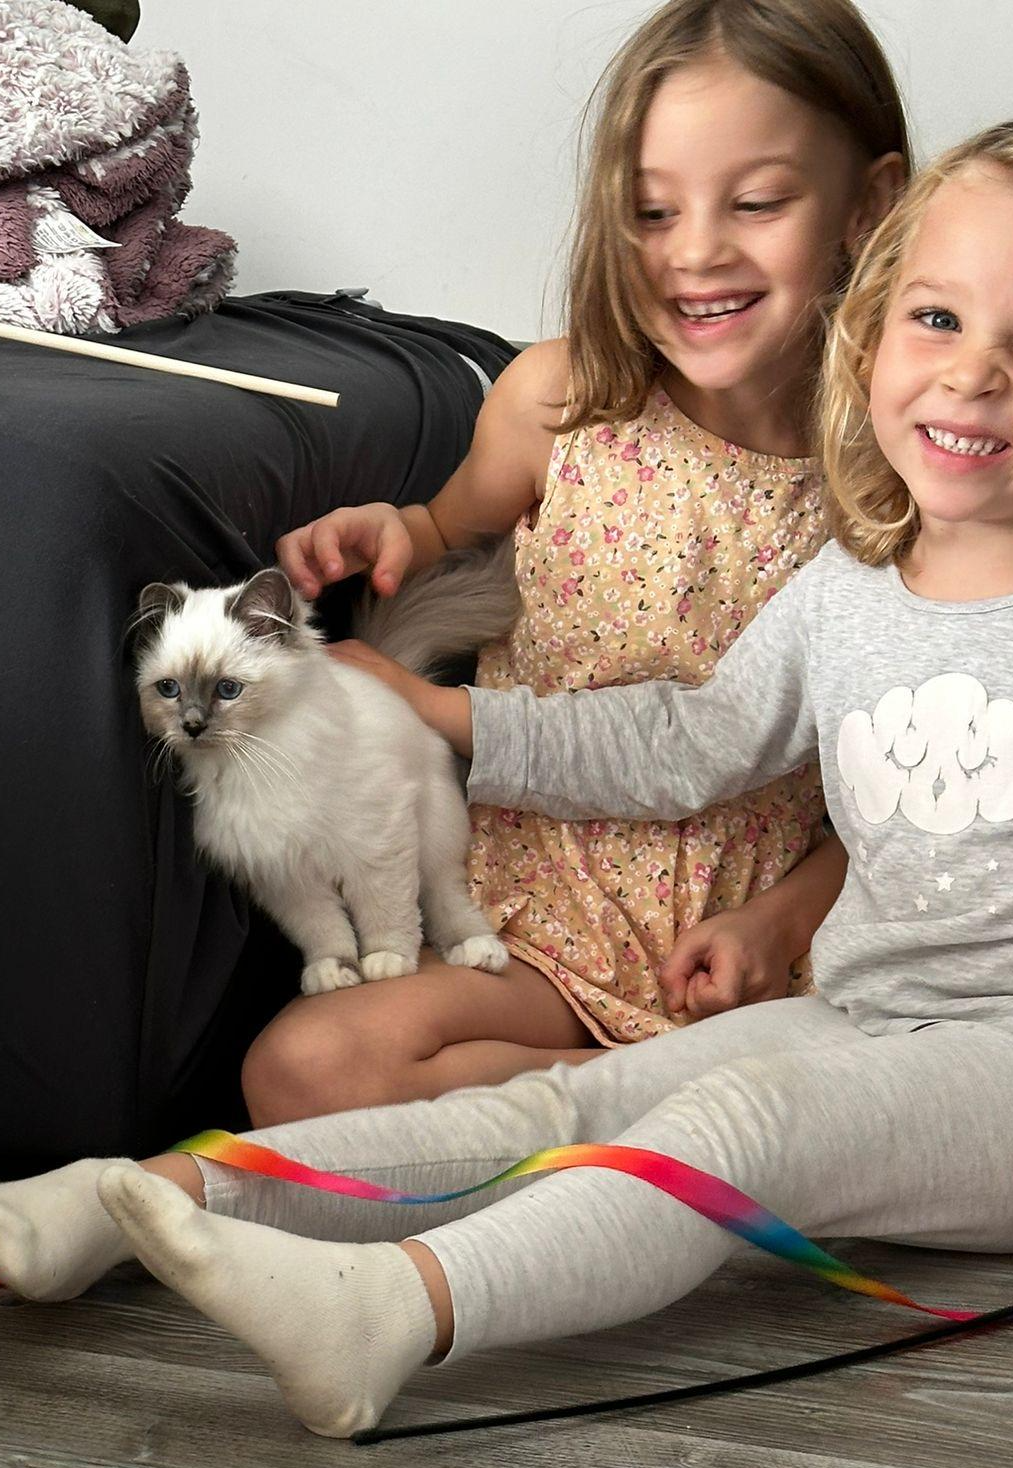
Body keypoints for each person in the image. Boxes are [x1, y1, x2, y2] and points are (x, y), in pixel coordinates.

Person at [0, 116, 1013, 1442]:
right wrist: (452, 714)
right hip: (870, 1018)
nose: (973, 374)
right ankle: (140, 1202)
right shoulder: (852, 585)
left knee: (743, 1119)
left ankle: (397, 1311)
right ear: (874, 332)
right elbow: (687, 742)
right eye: (938, 318)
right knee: (579, 1105)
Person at [243, 0, 908, 1125]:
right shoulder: (558, 403)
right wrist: (394, 534)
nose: (695, 250)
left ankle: (699, 1111)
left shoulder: (903, 473)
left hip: (770, 961)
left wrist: (780, 922)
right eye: (652, 210)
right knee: (303, 1073)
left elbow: (897, 796)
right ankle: (682, 1112)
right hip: (539, 933)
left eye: (756, 202)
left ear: (868, 205)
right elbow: (444, 526)